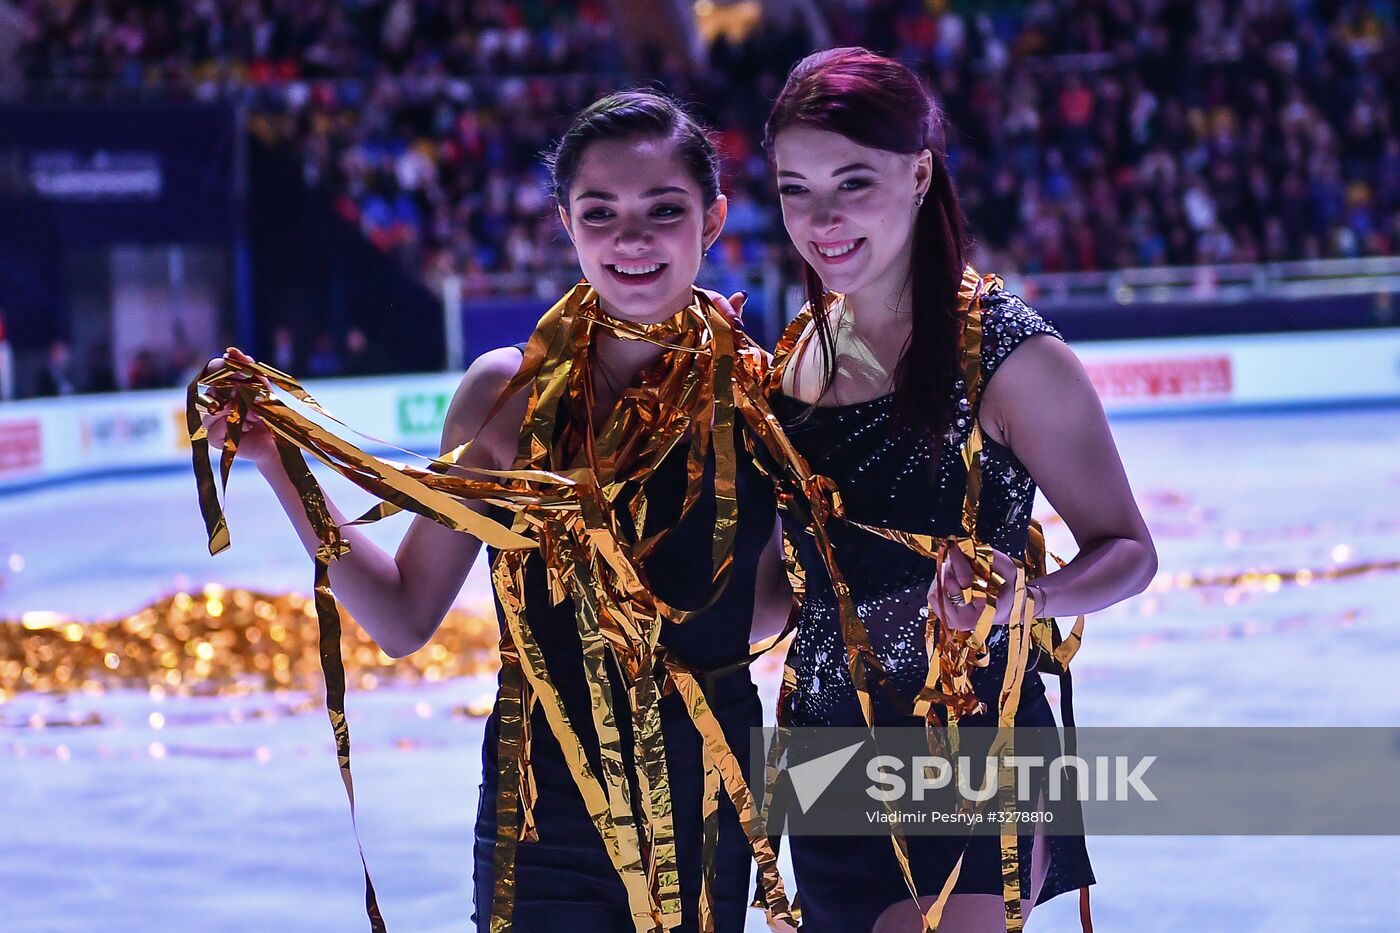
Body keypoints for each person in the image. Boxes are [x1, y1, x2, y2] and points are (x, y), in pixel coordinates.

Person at [198, 90, 795, 932]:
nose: (631, 238)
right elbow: (404, 615)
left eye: (664, 209)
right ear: (564, 222)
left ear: (714, 218)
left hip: (705, 803)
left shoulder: (761, 397)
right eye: (600, 212)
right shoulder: (503, 395)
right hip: (539, 813)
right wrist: (279, 464)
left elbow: (767, 601)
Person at [760, 48, 1158, 932]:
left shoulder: (1007, 354)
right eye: (795, 189)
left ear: (918, 173)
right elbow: (793, 591)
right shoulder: (794, 357)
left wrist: (1033, 599)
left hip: (973, 743)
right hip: (825, 751)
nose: (820, 220)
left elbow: (1130, 551)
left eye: (851, 183)